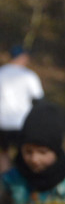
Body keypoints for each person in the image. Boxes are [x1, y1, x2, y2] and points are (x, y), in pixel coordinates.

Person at [0, 45, 44, 173]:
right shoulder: (29, 75)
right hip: (22, 122)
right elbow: (39, 100)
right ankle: (19, 184)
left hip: (2, 122)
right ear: (22, 57)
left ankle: (6, 181)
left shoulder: (1, 72)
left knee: (4, 152)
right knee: (25, 153)